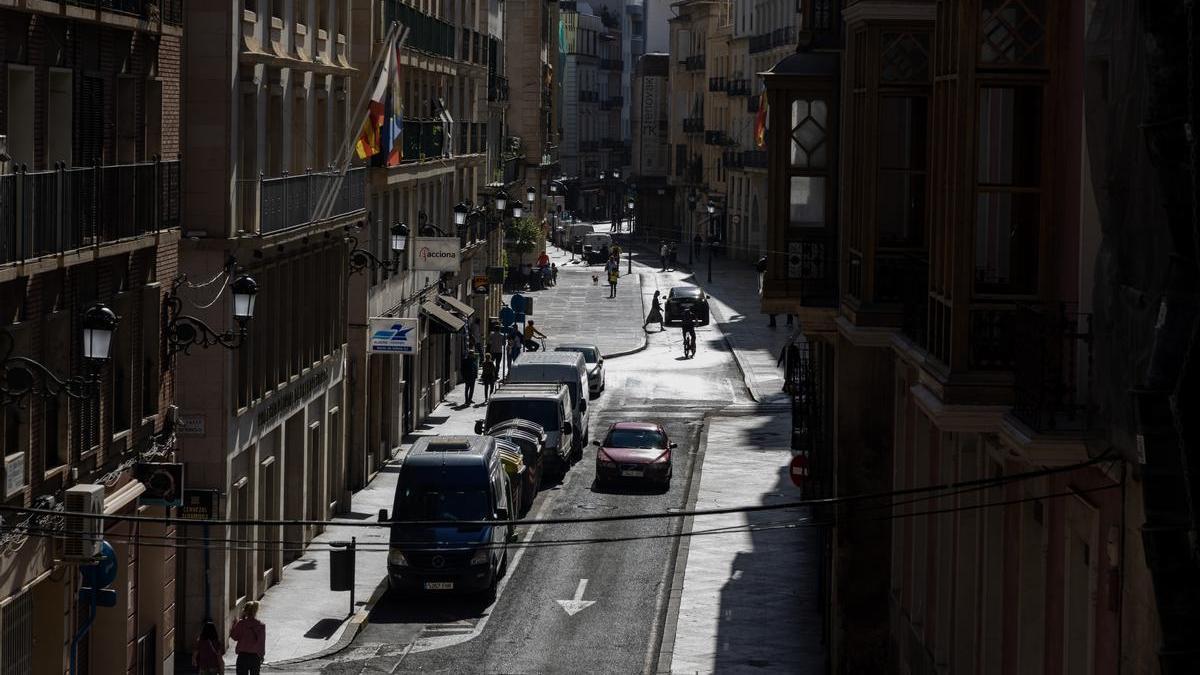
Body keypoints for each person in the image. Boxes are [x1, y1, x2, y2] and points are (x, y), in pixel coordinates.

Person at [230, 601, 265, 675]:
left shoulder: (241, 623)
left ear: (245, 611)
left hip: (243, 656)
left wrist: (234, 626)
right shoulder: (261, 625)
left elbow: (234, 637)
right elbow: (261, 643)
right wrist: (262, 656)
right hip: (255, 657)